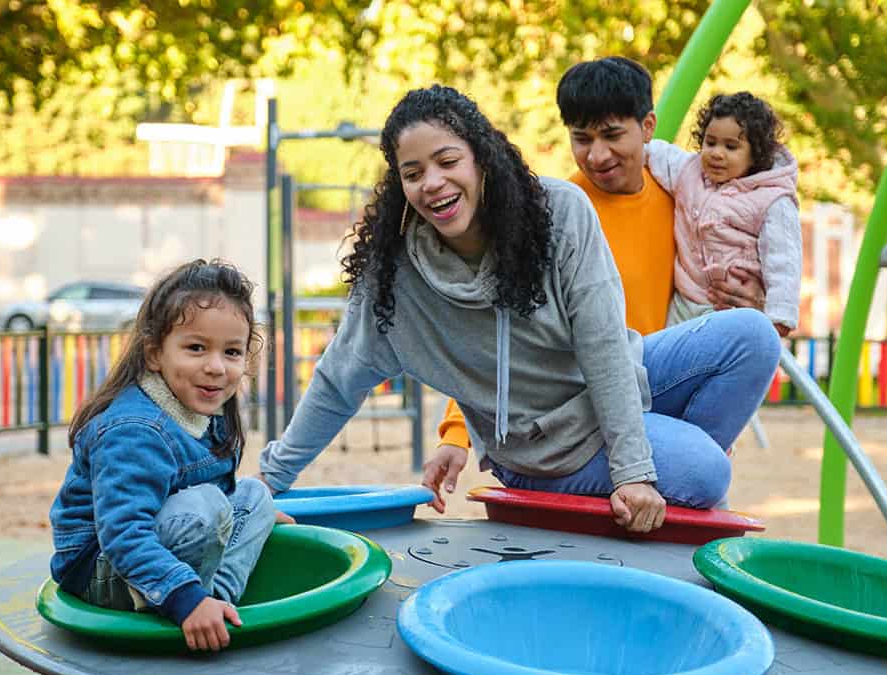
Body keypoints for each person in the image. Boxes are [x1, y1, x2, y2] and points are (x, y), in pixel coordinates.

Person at [258, 85, 780, 537]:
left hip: (610, 384)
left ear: (481, 159)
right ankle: (668, 487)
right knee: (707, 471)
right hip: (541, 447)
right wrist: (269, 480)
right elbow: (335, 382)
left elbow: (603, 347)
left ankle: (654, 498)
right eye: (412, 173)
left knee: (753, 338)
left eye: (447, 161)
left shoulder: (558, 214)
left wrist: (633, 471)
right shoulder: (395, 281)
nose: (432, 183)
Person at [429, 58, 773, 518]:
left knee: (754, 335)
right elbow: (494, 333)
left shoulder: (681, 199)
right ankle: (671, 478)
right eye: (582, 138)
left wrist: (747, 294)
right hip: (574, 404)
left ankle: (671, 480)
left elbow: (724, 271)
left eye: (612, 135)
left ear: (647, 126)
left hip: (649, 384)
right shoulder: (552, 214)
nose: (597, 155)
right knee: (705, 471)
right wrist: (456, 433)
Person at [48, 259, 280, 653]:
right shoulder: (135, 431)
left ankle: (215, 601)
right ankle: (186, 600)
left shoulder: (209, 408)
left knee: (257, 496)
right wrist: (182, 598)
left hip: (169, 535)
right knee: (205, 506)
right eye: (195, 348)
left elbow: (226, 492)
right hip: (104, 567)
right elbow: (122, 533)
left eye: (232, 352)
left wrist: (257, 515)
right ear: (154, 354)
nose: (215, 367)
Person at [645, 91, 801, 337]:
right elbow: (656, 153)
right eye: (710, 142)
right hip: (685, 299)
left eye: (731, 146)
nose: (717, 153)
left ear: (756, 153)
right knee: (668, 358)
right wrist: (632, 148)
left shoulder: (771, 198)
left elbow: (783, 260)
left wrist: (779, 315)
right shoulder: (690, 173)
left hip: (730, 307)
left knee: (718, 360)